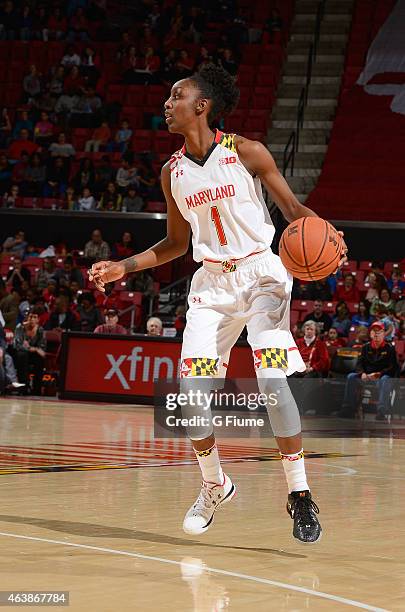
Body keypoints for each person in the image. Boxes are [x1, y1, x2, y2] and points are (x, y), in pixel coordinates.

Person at [89, 64, 348, 544]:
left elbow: (293, 212)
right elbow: (173, 244)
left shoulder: (247, 152)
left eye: (177, 95)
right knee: (189, 399)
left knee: (272, 382)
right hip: (210, 288)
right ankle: (214, 483)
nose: (167, 103)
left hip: (263, 279)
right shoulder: (172, 173)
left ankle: (300, 494)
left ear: (201, 106)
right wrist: (123, 266)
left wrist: (329, 234)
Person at [339, 321, 399, 421]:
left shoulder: (390, 348)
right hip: (366, 376)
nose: (376, 334)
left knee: (386, 379)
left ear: (384, 334)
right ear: (370, 334)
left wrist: (379, 374)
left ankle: (381, 411)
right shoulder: (365, 347)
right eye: (373, 331)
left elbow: (393, 367)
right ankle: (348, 408)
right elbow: (359, 363)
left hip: (381, 377)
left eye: (379, 331)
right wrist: (362, 373)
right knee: (351, 376)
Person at [14, 307, 46, 395]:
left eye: (35, 317)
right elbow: (17, 345)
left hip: (34, 355)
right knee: (22, 355)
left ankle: (37, 390)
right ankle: (23, 388)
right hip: (21, 355)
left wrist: (35, 349)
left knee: (39, 358)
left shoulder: (40, 330)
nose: (32, 319)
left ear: (38, 319)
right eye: (30, 317)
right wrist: (33, 349)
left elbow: (42, 348)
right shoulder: (20, 328)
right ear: (27, 318)